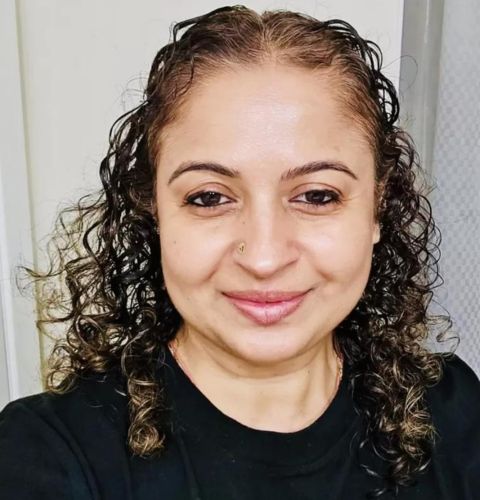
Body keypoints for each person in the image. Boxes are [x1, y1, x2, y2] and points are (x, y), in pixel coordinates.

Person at [0, 5, 479, 499]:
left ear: (378, 208)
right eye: (209, 198)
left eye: (317, 196)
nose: (264, 258)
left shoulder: (453, 411)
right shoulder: (45, 454)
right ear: (154, 211)